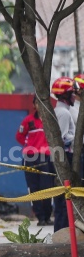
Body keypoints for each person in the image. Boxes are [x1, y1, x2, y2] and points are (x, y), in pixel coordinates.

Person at [16, 96, 54, 226]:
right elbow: (19, 136)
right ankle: (40, 218)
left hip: (47, 158)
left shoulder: (51, 120)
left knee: (47, 188)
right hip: (31, 158)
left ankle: (48, 216)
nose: (40, 105)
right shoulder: (28, 120)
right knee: (34, 189)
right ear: (34, 105)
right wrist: (29, 147)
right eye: (37, 103)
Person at [51, 77, 76, 232]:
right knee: (63, 200)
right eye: (72, 93)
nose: (75, 96)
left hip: (63, 157)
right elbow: (62, 138)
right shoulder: (64, 114)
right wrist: (78, 139)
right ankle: (61, 233)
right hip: (66, 158)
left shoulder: (60, 111)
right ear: (65, 95)